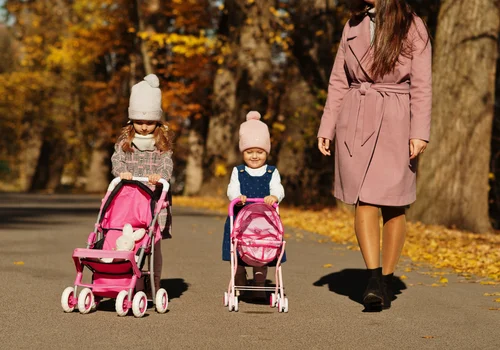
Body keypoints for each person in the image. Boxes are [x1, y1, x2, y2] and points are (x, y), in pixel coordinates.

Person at [317, 0, 431, 310]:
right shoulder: (353, 24)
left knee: (394, 203)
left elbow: (422, 83)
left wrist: (419, 130)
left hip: (396, 117)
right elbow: (338, 80)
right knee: (363, 196)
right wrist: (327, 126)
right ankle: (374, 278)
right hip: (356, 116)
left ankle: (388, 277)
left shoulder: (412, 24)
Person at [111, 74, 174, 296]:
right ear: (132, 121)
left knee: (153, 245)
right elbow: (116, 161)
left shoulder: (161, 145)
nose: (144, 127)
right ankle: (126, 278)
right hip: (128, 201)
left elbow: (167, 165)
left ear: (157, 121)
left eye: (149, 122)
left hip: (153, 201)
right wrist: (121, 172)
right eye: (139, 122)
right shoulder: (125, 143)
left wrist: (160, 175)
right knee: (125, 238)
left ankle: (154, 282)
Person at [222, 111, 285, 299]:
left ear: (266, 152)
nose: (255, 156)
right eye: (250, 152)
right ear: (243, 152)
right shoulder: (238, 171)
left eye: (259, 152)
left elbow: (278, 188)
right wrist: (237, 196)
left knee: (262, 250)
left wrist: (274, 196)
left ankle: (259, 283)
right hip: (241, 218)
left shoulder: (272, 171)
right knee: (239, 251)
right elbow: (231, 188)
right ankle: (240, 277)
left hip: (265, 221)